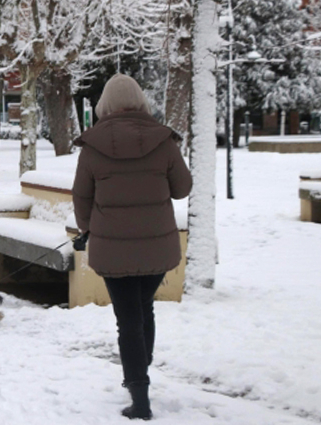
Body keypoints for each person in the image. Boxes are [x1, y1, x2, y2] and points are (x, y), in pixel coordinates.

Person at [72, 74, 192, 420]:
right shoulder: (164, 140)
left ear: (104, 105)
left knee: (129, 321)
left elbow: (82, 197)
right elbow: (182, 188)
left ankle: (140, 399)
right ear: (141, 101)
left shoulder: (93, 146)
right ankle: (142, 363)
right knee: (144, 309)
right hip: (157, 250)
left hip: (113, 251)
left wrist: (89, 228)